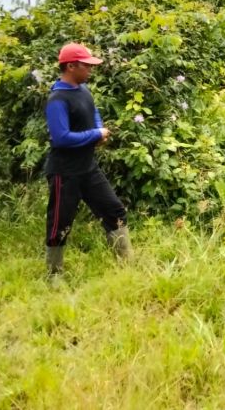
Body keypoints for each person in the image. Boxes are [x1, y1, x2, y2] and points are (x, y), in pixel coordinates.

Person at [43, 42, 133, 275]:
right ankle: (54, 275)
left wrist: (99, 131)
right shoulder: (57, 99)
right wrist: (95, 134)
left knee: (115, 211)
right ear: (71, 66)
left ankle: (127, 266)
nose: (90, 70)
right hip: (65, 172)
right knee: (59, 224)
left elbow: (94, 113)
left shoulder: (83, 90)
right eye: (86, 66)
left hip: (88, 168)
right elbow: (61, 138)